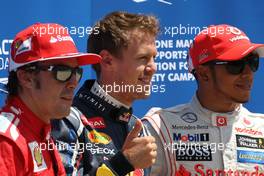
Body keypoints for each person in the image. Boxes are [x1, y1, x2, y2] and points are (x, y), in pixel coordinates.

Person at [143, 24, 264, 176]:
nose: (248, 74)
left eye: (252, 62)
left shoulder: (261, 128)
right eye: (236, 65)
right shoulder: (160, 127)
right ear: (203, 73)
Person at [51, 11, 159, 175]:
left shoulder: (137, 127)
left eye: (154, 58)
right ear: (107, 60)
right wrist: (123, 163)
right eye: (143, 58)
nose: (153, 68)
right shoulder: (69, 122)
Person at [0, 23, 101, 175]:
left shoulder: (42, 132)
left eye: (77, 72)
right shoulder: (6, 142)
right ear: (26, 77)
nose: (74, 82)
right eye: (62, 72)